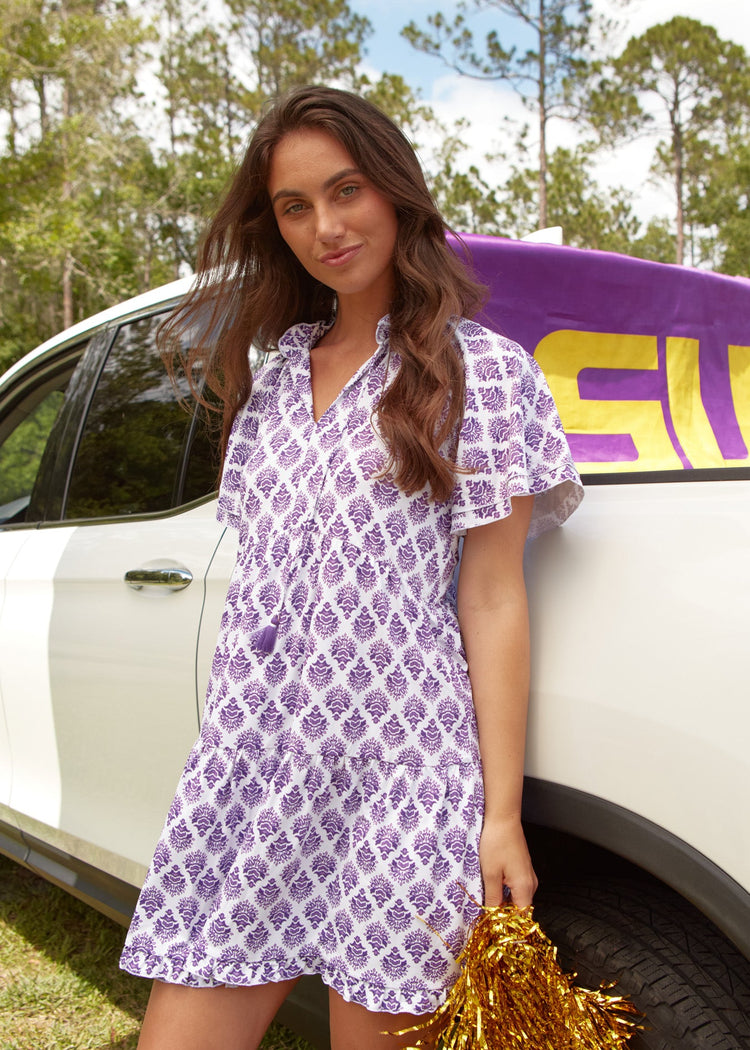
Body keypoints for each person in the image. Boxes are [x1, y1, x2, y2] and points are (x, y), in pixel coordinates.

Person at [119, 85, 583, 1050]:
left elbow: (494, 599)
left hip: (404, 780)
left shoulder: (483, 374)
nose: (325, 227)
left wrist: (501, 818)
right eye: (294, 206)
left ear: (395, 193)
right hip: (254, 766)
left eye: (346, 190)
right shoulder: (276, 375)